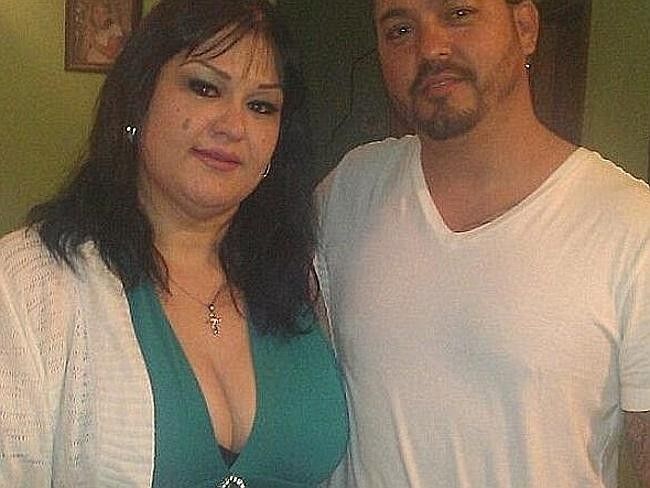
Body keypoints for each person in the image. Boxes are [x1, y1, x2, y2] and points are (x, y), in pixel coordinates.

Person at [0, 0, 348, 486]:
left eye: (261, 106)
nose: (233, 126)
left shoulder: (306, 274)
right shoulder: (28, 283)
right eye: (205, 88)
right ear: (138, 100)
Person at [317, 0, 650, 486]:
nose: (430, 48)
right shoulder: (349, 190)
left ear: (525, 27)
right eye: (400, 29)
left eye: (459, 14)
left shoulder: (631, 226)